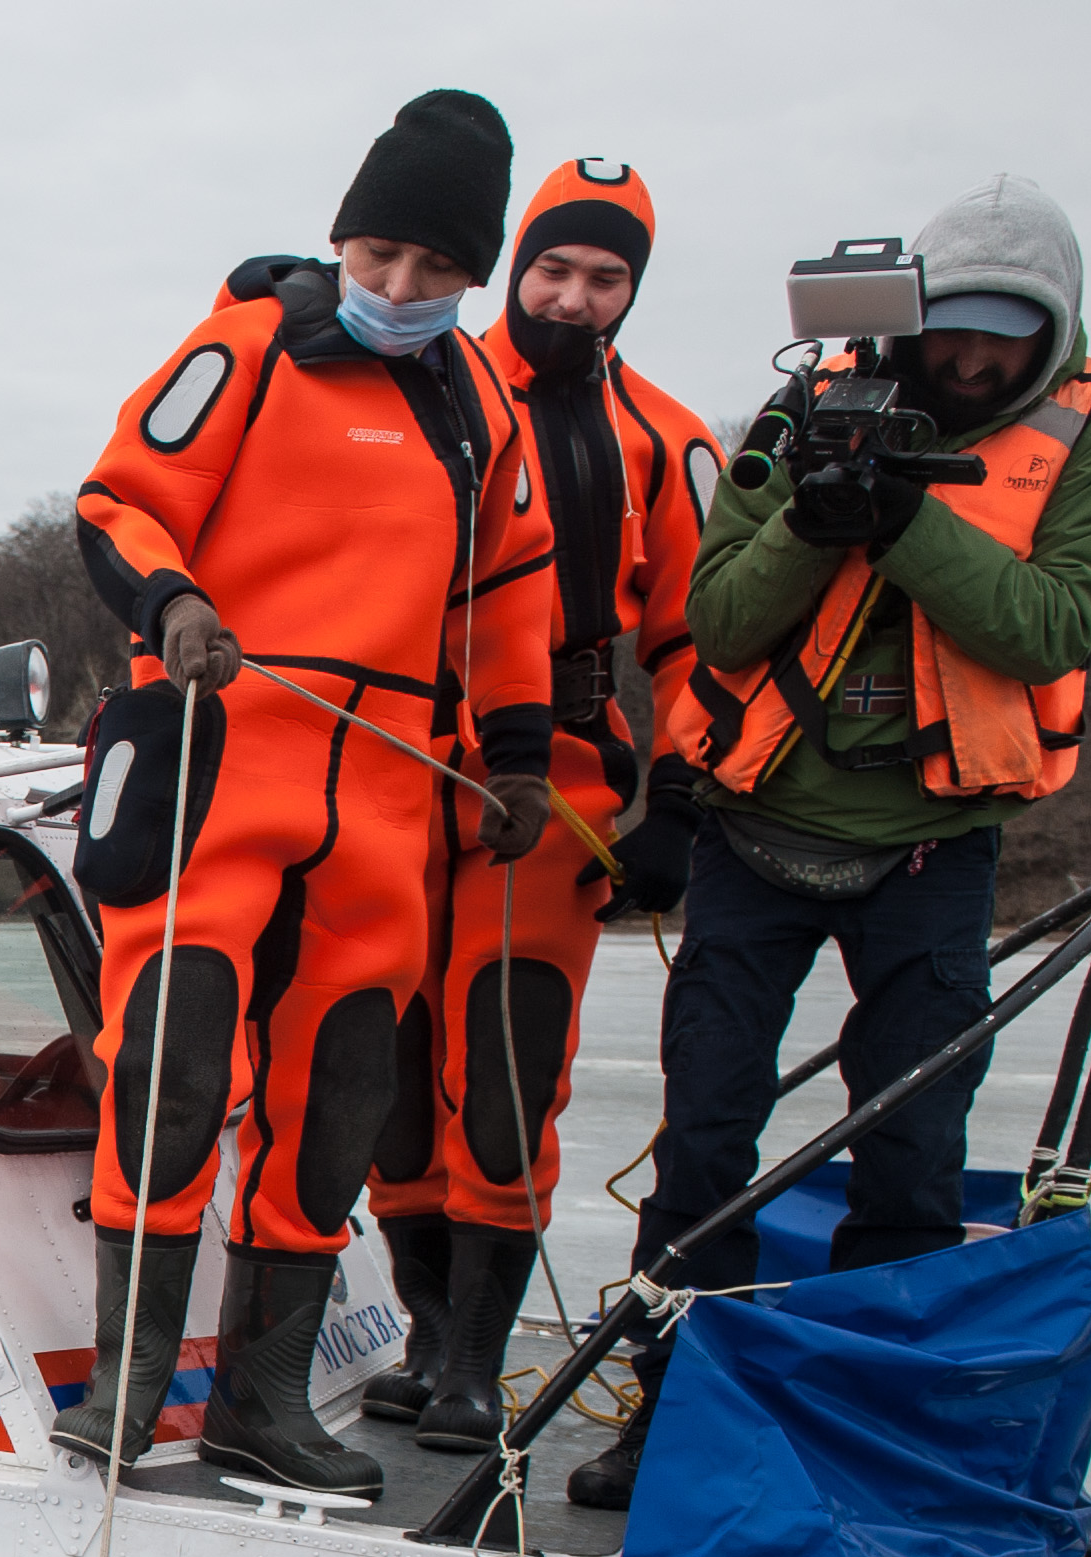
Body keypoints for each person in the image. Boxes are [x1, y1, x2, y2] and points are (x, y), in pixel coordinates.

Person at [578, 175, 1091, 1511]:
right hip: (755, 834)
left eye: (1005, 338)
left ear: (1049, 338)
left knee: (910, 1151)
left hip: (934, 847)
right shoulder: (810, 402)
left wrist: (905, 524)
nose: (969, 360)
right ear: (910, 316)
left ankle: (874, 1436)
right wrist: (812, 524)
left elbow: (1056, 625)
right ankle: (668, 1417)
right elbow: (719, 623)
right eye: (951, 329)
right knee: (705, 1137)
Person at [60, 89, 558, 1497]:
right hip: (225, 754)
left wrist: (516, 763)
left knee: (341, 1097)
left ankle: (262, 1403)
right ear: (347, 236)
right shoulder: (250, 346)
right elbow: (115, 503)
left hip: (387, 800)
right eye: (382, 256)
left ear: (476, 276)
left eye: (439, 271)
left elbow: (512, 603)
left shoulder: (485, 409)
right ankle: (129, 1386)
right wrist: (174, 605)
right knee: (169, 1068)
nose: (402, 290)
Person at [363, 158, 716, 1452]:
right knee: (385, 1069)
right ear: (516, 266)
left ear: (631, 290)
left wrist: (674, 794)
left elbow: (705, 643)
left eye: (603, 277)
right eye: (553, 269)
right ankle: (419, 1327)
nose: (571, 297)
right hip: (400, 760)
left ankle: (473, 1359)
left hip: (560, 781)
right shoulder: (415, 386)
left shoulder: (665, 440)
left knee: (505, 1081)